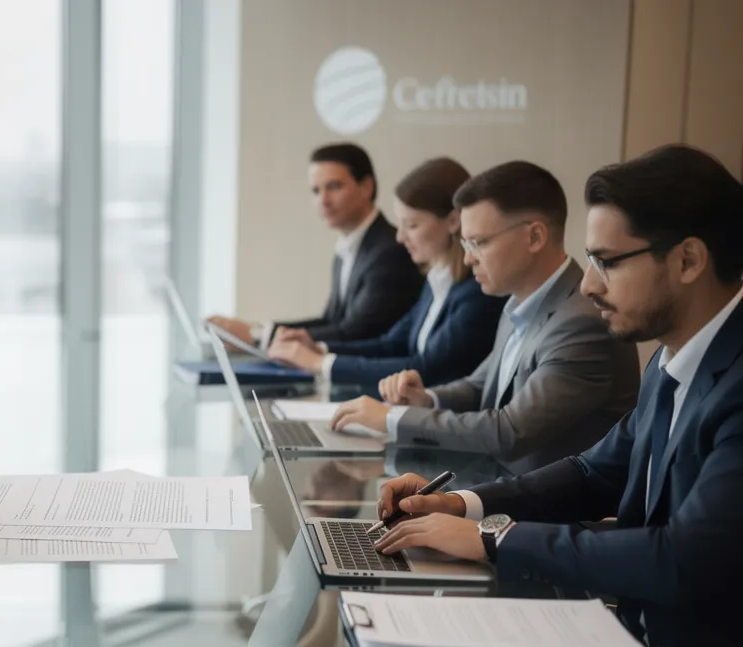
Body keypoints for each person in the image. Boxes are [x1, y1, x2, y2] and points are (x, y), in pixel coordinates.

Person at [371, 144, 743, 647]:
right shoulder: (673, 358)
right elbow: (597, 471)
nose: (589, 284)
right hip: (642, 640)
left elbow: (683, 560)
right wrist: (462, 504)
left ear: (687, 259)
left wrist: (494, 538)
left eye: (606, 261)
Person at [330, 160, 641, 472]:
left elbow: (508, 431)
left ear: (534, 237)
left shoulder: (582, 322)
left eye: (478, 243)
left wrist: (393, 418)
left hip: (556, 512)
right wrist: (426, 399)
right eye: (465, 243)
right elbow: (480, 385)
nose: (468, 258)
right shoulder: (518, 303)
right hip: (504, 487)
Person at [267, 157, 505, 390]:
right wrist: (320, 348)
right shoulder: (436, 281)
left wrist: (321, 364)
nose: (400, 238)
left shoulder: (477, 293)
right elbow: (391, 344)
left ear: (453, 221)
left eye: (411, 225)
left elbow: (425, 368)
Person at [208, 143, 423, 347]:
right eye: (316, 191)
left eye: (334, 187)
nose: (323, 200)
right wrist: (261, 329)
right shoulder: (347, 248)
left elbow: (356, 332)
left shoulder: (390, 250)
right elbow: (331, 321)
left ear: (366, 186)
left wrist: (259, 336)